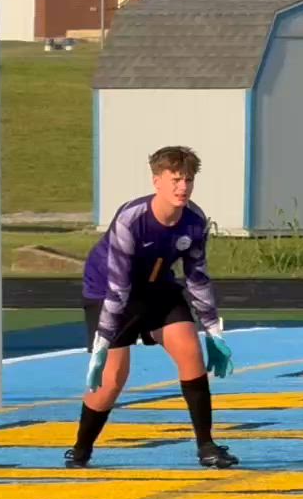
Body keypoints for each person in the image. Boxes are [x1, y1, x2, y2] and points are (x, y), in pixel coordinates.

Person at [65, 145, 237, 470]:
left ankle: (207, 446)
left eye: (188, 180)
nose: (182, 187)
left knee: (190, 351)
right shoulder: (131, 218)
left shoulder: (195, 221)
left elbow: (197, 278)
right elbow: (118, 287)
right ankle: (81, 448)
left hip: (159, 288)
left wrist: (214, 332)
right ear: (156, 181)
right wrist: (102, 342)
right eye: (175, 179)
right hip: (110, 291)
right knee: (113, 378)